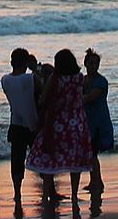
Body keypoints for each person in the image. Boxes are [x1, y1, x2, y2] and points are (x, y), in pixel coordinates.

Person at [24, 50, 93, 200]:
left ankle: (46, 194)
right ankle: (74, 195)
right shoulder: (79, 78)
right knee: (75, 162)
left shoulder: (56, 79)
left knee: (49, 160)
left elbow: (43, 100)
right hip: (78, 123)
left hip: (58, 124)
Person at [0, 49, 39, 200]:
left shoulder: (5, 80)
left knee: (16, 160)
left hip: (15, 123)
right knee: (42, 157)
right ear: (26, 63)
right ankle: (49, 190)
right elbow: (43, 91)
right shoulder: (31, 79)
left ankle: (17, 192)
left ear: (11, 62)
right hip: (33, 123)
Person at [81, 49, 113, 194]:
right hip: (88, 120)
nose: (94, 66)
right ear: (85, 64)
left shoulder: (101, 81)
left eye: (96, 63)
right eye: (91, 63)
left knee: (93, 152)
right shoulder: (83, 80)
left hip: (99, 120)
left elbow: (90, 98)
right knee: (90, 153)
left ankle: (97, 181)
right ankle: (94, 181)